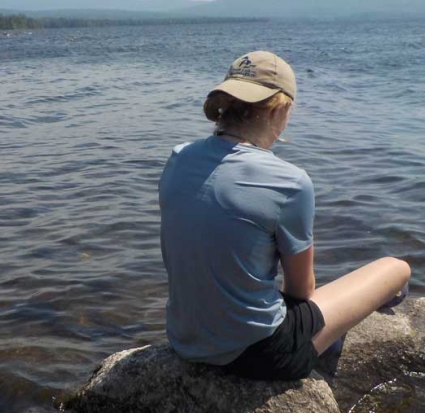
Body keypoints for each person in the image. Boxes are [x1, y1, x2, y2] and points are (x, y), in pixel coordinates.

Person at [158, 51, 411, 380]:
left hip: (184, 339)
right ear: (280, 108)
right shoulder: (290, 182)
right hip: (259, 355)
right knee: (396, 268)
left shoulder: (179, 157)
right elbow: (301, 292)